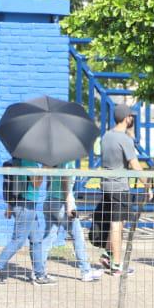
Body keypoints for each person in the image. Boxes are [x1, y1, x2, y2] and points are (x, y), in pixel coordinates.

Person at [89, 103, 142, 276]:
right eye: (131, 116)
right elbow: (134, 164)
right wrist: (147, 184)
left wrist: (130, 135)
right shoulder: (124, 139)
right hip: (120, 187)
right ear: (127, 118)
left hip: (107, 185)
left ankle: (108, 254)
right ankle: (117, 265)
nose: (132, 118)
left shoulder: (107, 136)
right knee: (117, 225)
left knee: (117, 222)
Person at [0, 157, 53, 285]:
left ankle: (40, 275)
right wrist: (44, 169)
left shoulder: (18, 160)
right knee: (18, 240)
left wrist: (10, 207)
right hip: (25, 205)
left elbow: (13, 187)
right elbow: (36, 184)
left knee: (36, 240)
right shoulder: (29, 161)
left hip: (27, 205)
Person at [44, 170, 103, 282]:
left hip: (49, 200)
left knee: (47, 238)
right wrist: (69, 205)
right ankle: (86, 271)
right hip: (61, 202)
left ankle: (38, 272)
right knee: (78, 236)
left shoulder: (53, 161)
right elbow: (65, 181)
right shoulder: (67, 161)